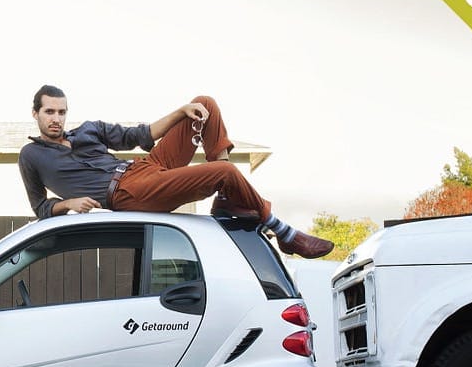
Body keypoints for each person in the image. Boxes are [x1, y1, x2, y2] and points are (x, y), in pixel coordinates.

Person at [17, 84, 334, 259]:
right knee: (223, 170)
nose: (56, 118)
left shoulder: (87, 131)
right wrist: (68, 204)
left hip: (146, 167)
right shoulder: (31, 156)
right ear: (36, 113)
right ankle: (283, 232)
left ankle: (225, 199)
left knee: (203, 103)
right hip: (128, 193)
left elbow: (141, 135)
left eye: (61, 111)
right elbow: (41, 207)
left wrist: (182, 111)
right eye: (49, 112)